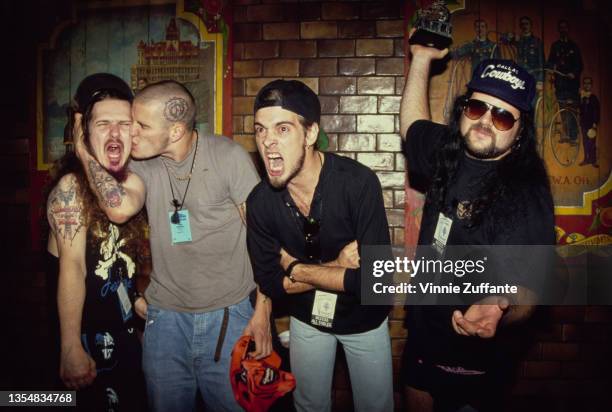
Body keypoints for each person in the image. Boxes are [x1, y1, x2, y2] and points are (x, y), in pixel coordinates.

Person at [73, 79, 272, 412]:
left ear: (176, 131)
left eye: (141, 126)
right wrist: (82, 150)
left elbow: (263, 238)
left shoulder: (227, 156)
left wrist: (263, 311)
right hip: (164, 320)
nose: (131, 133)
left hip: (229, 315)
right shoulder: (142, 163)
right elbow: (119, 208)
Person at [399, 34, 555, 411]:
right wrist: (420, 58)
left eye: (502, 115)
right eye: (477, 108)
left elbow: (532, 288)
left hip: (480, 350)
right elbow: (412, 127)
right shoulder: (446, 151)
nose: (486, 121)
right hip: (424, 336)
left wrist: (501, 306)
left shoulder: (527, 194)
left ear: (520, 133)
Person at [247, 79, 394, 412]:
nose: (268, 141)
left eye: (282, 129)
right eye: (260, 130)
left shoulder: (357, 183)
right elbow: (270, 283)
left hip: (364, 320)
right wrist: (336, 268)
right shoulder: (260, 203)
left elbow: (377, 282)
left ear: (310, 134)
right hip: (307, 319)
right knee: (308, 406)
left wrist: (295, 267)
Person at [46, 73, 147, 411]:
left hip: (127, 339)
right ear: (83, 130)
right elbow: (72, 268)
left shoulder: (133, 182)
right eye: (103, 124)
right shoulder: (70, 189)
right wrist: (70, 346)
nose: (116, 133)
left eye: (124, 123)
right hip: (86, 340)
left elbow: (119, 209)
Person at [547, 19, 583, 145]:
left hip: (572, 85)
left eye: (565, 27)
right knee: (562, 110)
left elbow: (579, 65)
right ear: (559, 30)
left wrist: (573, 73)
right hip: (560, 83)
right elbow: (550, 62)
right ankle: (567, 134)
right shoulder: (555, 46)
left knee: (571, 110)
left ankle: (573, 137)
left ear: (568, 30)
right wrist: (552, 67)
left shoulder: (574, 46)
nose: (563, 30)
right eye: (561, 28)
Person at [579, 76, 599, 167]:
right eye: (585, 83)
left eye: (589, 83)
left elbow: (596, 111)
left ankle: (593, 160)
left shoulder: (594, 98)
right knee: (585, 142)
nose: (587, 85)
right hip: (584, 124)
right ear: (583, 85)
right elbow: (580, 109)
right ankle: (586, 159)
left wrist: (595, 123)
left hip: (591, 124)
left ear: (591, 85)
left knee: (592, 143)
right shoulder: (582, 97)